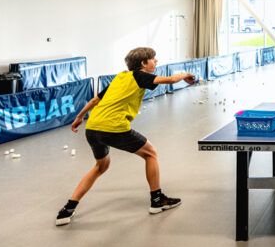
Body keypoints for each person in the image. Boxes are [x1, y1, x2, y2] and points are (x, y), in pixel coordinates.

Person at [56, 47, 195, 226]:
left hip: (93, 128)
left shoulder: (120, 77)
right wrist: (186, 74)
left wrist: (79, 117)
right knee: (151, 153)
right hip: (113, 127)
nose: (156, 61)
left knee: (100, 166)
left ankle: (68, 209)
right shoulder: (140, 75)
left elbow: (94, 100)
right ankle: (157, 200)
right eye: (153, 59)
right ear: (143, 64)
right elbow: (169, 79)